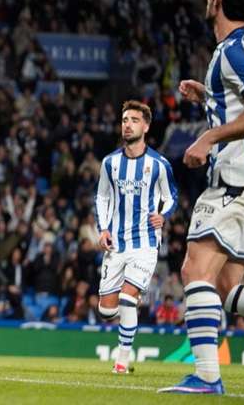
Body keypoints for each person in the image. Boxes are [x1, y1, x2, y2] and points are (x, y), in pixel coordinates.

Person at [161, 0, 244, 395]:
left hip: (237, 182)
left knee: (193, 268)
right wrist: (210, 96)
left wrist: (209, 135)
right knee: (226, 285)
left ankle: (205, 376)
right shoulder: (243, 48)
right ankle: (205, 376)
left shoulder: (234, 50)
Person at [94, 100, 177, 375]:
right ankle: (131, 302)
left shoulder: (159, 164)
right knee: (106, 310)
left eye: (133, 120)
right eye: (124, 119)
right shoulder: (110, 163)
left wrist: (163, 215)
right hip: (117, 243)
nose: (127, 124)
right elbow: (102, 196)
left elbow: (171, 197)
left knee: (128, 300)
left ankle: (122, 362)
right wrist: (103, 228)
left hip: (146, 243)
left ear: (146, 126)